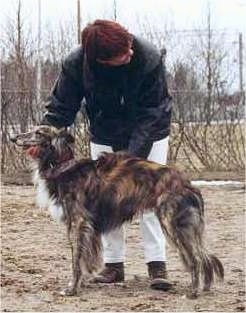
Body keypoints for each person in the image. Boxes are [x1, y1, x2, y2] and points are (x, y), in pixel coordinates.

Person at [41, 19, 172, 291]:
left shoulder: (148, 57)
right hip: (104, 133)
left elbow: (153, 113)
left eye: (128, 46)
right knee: (103, 200)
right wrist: (45, 139)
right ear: (100, 59)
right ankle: (113, 265)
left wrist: (128, 162)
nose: (130, 53)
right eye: (122, 53)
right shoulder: (76, 64)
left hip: (150, 132)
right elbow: (61, 108)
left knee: (151, 196)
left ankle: (157, 265)